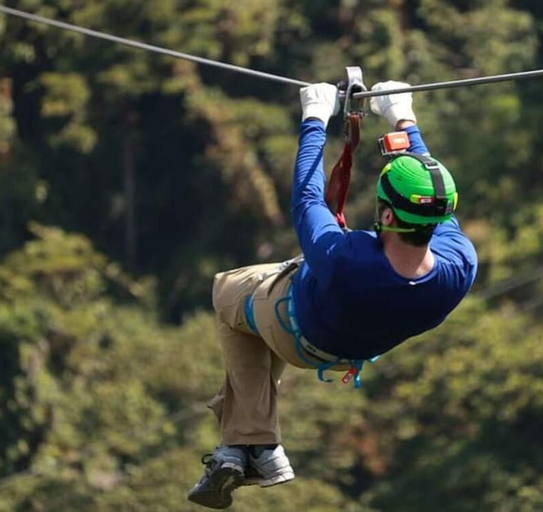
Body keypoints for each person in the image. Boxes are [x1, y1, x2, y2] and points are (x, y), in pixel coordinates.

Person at [187, 81, 478, 509]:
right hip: (349, 348)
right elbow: (432, 197)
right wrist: (403, 119)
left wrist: (314, 119)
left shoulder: (345, 259)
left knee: (228, 290)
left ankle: (255, 443)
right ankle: (245, 447)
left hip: (296, 329)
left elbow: (307, 198)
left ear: (384, 214)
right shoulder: (459, 266)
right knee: (261, 312)